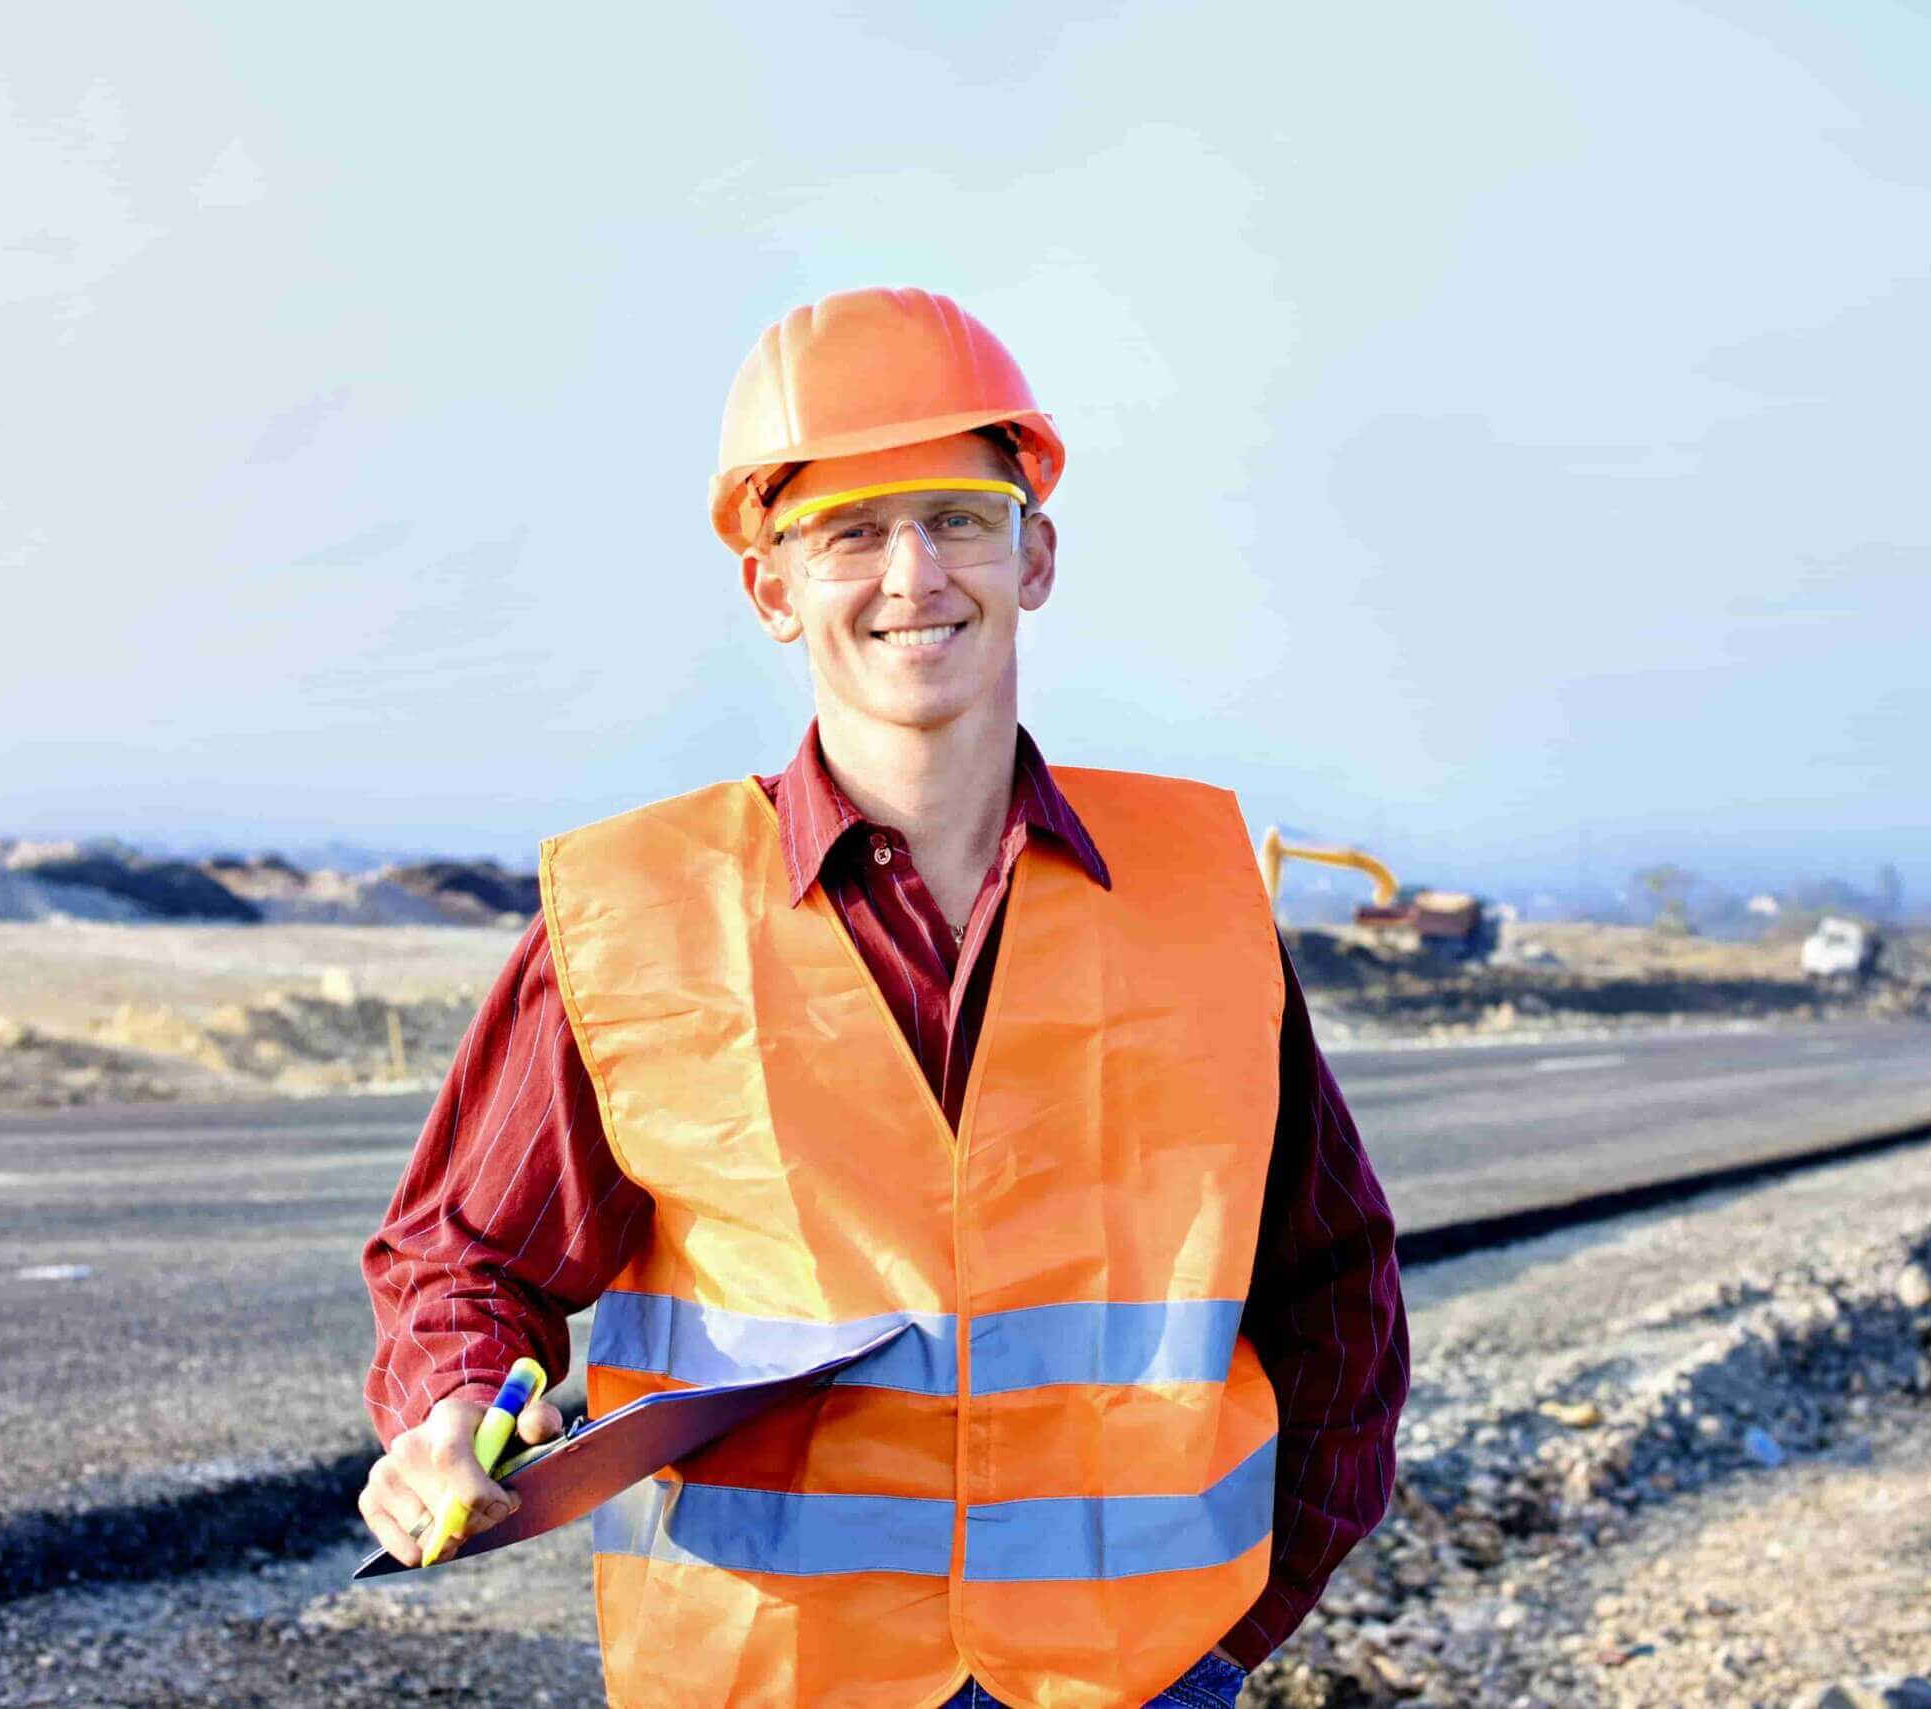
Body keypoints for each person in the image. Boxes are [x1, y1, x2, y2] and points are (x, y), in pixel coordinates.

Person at [357, 286, 1407, 1709]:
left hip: (1138, 1684)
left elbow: (1333, 1285)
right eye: (851, 530)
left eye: (958, 517)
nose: (913, 573)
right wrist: (452, 1414)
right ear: (772, 588)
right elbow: (464, 1256)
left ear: (1034, 556)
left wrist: (1234, 1631)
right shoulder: (636, 913)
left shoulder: (1198, 896)